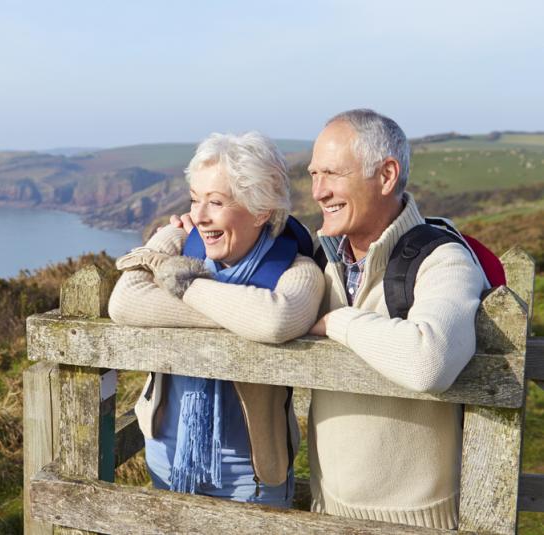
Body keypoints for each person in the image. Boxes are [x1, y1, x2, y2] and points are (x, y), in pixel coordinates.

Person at [109, 132, 324, 508]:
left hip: (252, 478)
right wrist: (168, 235)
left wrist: (180, 284)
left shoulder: (297, 270)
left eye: (217, 202)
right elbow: (125, 302)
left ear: (261, 210)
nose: (200, 216)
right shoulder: (184, 245)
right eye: (195, 200)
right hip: (166, 459)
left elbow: (274, 320)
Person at [305, 109, 487, 529]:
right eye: (314, 174)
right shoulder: (321, 259)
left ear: (386, 175)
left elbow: (430, 361)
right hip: (324, 510)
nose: (318, 191)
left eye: (331, 174)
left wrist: (338, 322)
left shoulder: (443, 259)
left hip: (416, 521)